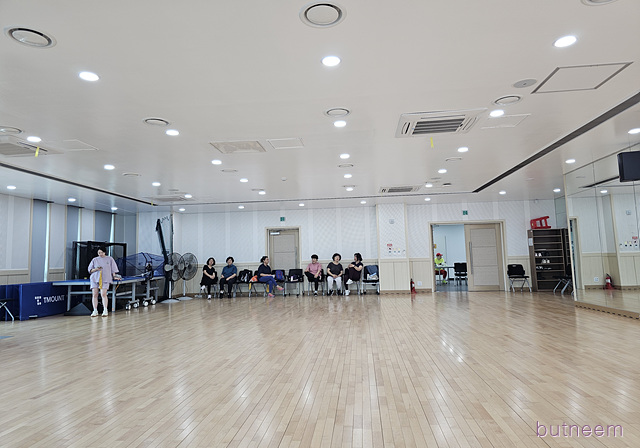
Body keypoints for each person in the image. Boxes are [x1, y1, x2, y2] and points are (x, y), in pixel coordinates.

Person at [88, 247, 120, 317]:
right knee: (95, 294)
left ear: (105, 252)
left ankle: (105, 310)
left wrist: (114, 276)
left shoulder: (110, 259)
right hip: (95, 279)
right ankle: (95, 310)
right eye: (99, 253)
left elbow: (113, 269)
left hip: (105, 278)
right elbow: (90, 270)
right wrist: (96, 269)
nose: (100, 254)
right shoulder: (95, 259)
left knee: (103, 294)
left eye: (102, 252)